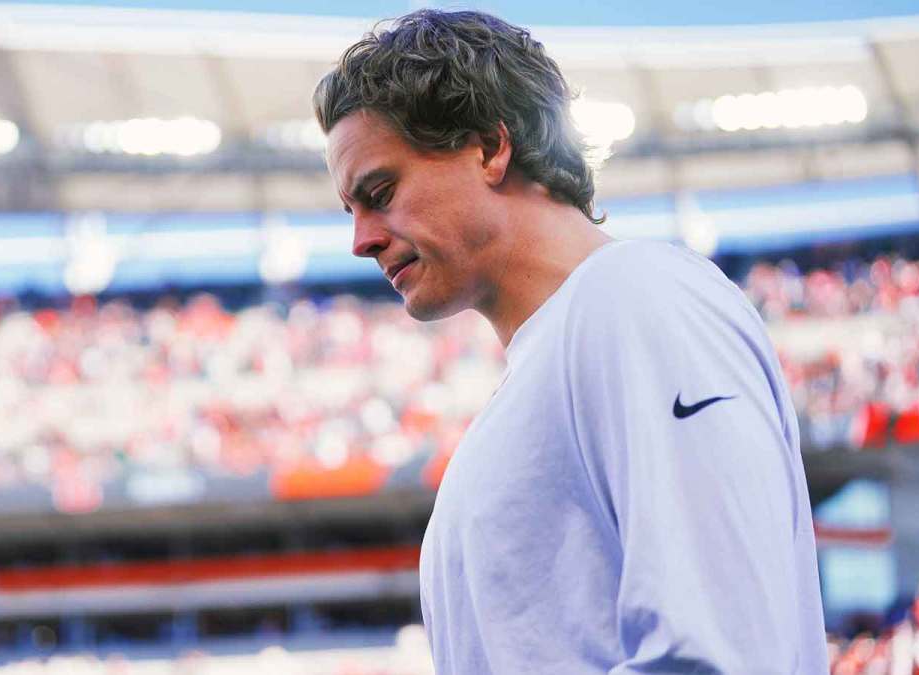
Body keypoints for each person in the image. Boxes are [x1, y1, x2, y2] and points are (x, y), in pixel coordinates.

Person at [313, 9, 828, 673]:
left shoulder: (636, 295)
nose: (361, 241)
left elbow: (720, 651)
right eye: (350, 211)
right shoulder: (544, 368)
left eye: (379, 192)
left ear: (490, 147)